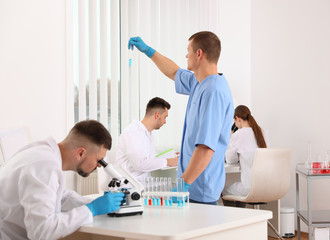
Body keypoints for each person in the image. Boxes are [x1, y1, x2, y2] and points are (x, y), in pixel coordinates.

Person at [128, 31, 234, 205]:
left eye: (188, 51)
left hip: (200, 187)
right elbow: (174, 72)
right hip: (192, 185)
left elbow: (206, 148)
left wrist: (183, 185)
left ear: (199, 54)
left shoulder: (213, 91)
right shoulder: (199, 82)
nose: (186, 55)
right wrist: (148, 51)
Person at [0, 120, 124, 240]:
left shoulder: (44, 153)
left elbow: (60, 197)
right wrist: (91, 209)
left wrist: (92, 203)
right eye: (99, 160)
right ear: (81, 153)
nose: (99, 165)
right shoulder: (45, 166)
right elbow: (42, 231)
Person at [115, 97, 178, 183]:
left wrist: (171, 156)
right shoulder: (133, 132)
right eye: (165, 117)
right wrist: (168, 161)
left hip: (142, 184)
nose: (165, 121)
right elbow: (140, 164)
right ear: (157, 115)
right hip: (129, 187)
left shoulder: (147, 133)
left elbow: (147, 158)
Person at [222, 105, 269, 207]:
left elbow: (230, 160)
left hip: (250, 188)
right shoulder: (263, 132)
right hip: (267, 187)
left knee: (223, 190)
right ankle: (243, 218)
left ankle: (237, 220)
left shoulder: (238, 134)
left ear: (238, 119)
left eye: (234, 122)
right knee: (238, 190)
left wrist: (231, 137)